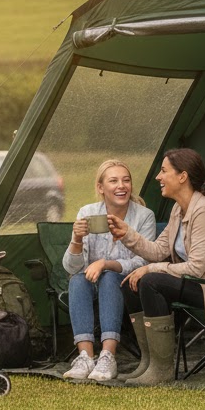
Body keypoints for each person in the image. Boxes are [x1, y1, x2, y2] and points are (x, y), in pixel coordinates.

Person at [108, 148, 205, 386]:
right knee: (130, 283)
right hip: (201, 285)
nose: (158, 177)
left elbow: (195, 268)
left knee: (151, 281)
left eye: (164, 171)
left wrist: (152, 269)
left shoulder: (204, 210)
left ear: (182, 176)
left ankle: (162, 369)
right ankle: (149, 361)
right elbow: (157, 250)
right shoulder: (179, 209)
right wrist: (127, 234)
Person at [61, 159, 154, 382]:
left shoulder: (143, 216)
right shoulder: (88, 212)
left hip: (128, 285)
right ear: (101, 188)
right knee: (77, 280)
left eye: (126, 180)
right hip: (92, 282)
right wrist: (76, 240)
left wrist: (105, 263)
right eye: (114, 181)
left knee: (111, 277)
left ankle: (108, 356)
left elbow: (144, 261)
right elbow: (72, 267)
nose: (121, 186)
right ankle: (85, 356)